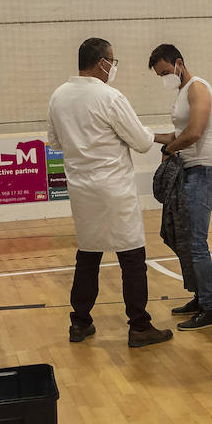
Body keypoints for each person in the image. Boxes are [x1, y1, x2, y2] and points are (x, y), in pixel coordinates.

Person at [47, 37, 174, 348]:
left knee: (88, 256)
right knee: (132, 257)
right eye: (112, 61)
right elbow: (141, 142)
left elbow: (54, 143)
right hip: (113, 188)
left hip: (81, 188)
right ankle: (139, 326)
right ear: (101, 62)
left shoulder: (58, 97)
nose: (113, 67)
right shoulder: (110, 97)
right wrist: (164, 138)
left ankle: (80, 322)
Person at [148, 43, 212, 331]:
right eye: (159, 75)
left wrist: (170, 148)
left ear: (179, 62)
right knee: (179, 237)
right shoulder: (182, 92)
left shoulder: (197, 88)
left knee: (195, 241)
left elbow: (194, 133)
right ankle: (199, 295)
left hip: (202, 172)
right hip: (188, 173)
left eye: (166, 71)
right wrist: (145, 136)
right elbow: (177, 134)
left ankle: (210, 306)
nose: (164, 77)